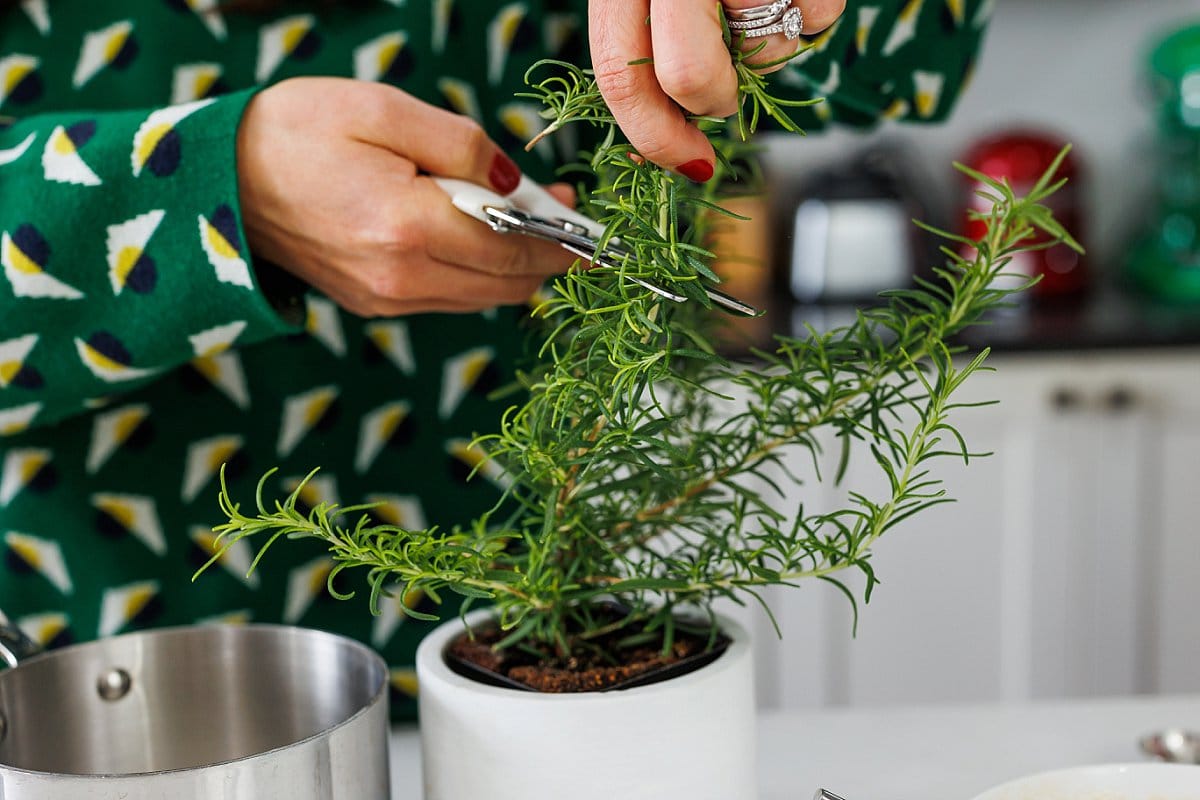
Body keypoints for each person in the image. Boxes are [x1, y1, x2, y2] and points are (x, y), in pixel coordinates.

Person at [0, 0, 988, 719]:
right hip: (79, 674)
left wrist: (768, 17)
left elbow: (918, 57)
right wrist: (214, 185)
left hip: (501, 665)